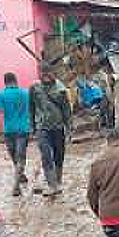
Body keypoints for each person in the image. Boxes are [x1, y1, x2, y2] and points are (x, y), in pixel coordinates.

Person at [0, 72, 31, 196]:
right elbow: (33, 110)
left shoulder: (1, 95)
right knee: (21, 157)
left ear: (5, 82)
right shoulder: (26, 93)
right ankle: (20, 175)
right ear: (16, 80)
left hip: (9, 131)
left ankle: (16, 185)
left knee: (14, 156)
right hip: (23, 130)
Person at [29, 66, 72, 196]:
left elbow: (66, 110)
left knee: (59, 155)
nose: (46, 76)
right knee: (46, 155)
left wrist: (69, 128)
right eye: (43, 73)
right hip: (42, 127)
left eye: (49, 73)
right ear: (40, 74)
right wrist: (32, 126)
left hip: (58, 127)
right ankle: (52, 185)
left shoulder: (61, 89)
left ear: (54, 74)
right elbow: (31, 107)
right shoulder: (34, 88)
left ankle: (57, 180)